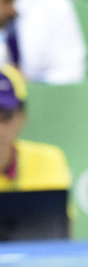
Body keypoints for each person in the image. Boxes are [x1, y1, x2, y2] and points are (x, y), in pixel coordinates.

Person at [0, 60, 72, 196]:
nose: (0, 129)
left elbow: (59, 216)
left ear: (22, 117)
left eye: (6, 116)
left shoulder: (48, 161)